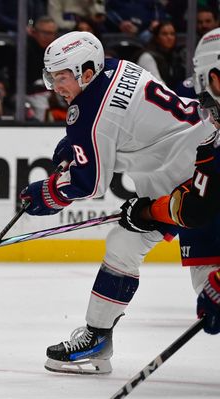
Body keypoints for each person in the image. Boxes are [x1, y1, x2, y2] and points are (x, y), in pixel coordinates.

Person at [19, 31, 213, 374]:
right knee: (123, 245)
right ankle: (97, 337)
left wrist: (46, 194)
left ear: (87, 72)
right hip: (193, 153)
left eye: (62, 77)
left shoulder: (90, 116)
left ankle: (97, 337)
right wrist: (75, 144)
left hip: (194, 179)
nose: (55, 87)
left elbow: (89, 183)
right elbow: (121, 126)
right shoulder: (117, 67)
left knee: (210, 286)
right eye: (51, 77)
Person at [119, 27, 220, 336]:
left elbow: (195, 209)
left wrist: (148, 212)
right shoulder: (212, 146)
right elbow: (198, 206)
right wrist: (151, 212)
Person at [135, 21, 186, 90]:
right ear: (156, 37)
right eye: (164, 34)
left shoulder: (174, 56)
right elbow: (158, 88)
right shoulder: (147, 57)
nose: (169, 37)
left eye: (172, 34)